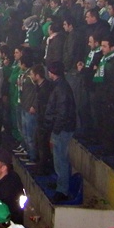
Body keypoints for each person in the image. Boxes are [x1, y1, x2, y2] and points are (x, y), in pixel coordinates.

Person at [44, 61, 76, 203]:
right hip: (62, 128)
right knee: (60, 158)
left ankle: (62, 190)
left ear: (53, 72)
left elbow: (62, 113)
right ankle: (61, 184)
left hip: (62, 129)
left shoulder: (61, 88)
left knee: (60, 159)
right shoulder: (60, 86)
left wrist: (55, 131)